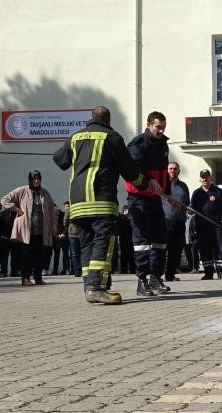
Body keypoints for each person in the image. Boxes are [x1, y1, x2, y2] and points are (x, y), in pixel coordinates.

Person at [54, 106, 159, 304]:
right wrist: (147, 183)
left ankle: (89, 288)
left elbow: (59, 160)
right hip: (101, 201)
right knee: (103, 242)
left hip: (77, 203)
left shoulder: (76, 137)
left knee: (86, 244)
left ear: (90, 118)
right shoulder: (112, 137)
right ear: (108, 121)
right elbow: (129, 171)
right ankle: (96, 287)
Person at [125, 111, 171, 296]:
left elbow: (164, 172)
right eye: (158, 127)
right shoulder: (137, 144)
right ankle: (142, 280)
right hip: (139, 199)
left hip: (155, 199)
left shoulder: (163, 144)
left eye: (163, 127)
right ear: (149, 125)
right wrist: (149, 180)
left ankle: (155, 278)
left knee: (160, 239)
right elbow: (134, 166)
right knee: (142, 241)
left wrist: (168, 193)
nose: (161, 130)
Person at [0, 170, 57, 286]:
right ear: (30, 180)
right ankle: (25, 278)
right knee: (26, 255)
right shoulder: (22, 190)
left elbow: (52, 210)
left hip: (41, 230)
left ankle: (38, 278)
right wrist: (16, 209)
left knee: (39, 255)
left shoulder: (45, 193)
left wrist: (53, 226)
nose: (36, 181)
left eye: (38, 178)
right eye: (34, 179)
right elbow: (4, 200)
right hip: (27, 230)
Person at [190, 169, 222, 280]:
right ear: (200, 179)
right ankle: (208, 272)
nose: (205, 179)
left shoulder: (217, 191)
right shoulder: (196, 193)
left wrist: (218, 215)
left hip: (216, 225)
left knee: (220, 248)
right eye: (203, 177)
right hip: (202, 226)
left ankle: (221, 272)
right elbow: (192, 208)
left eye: (206, 176)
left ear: (210, 178)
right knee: (204, 249)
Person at [162, 162, 190, 283]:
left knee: (176, 250)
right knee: (162, 250)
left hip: (180, 222)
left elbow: (187, 203)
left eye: (175, 169)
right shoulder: (161, 184)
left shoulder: (183, 186)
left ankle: (170, 275)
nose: (173, 170)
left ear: (179, 171)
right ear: (167, 170)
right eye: (170, 168)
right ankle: (157, 276)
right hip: (164, 221)